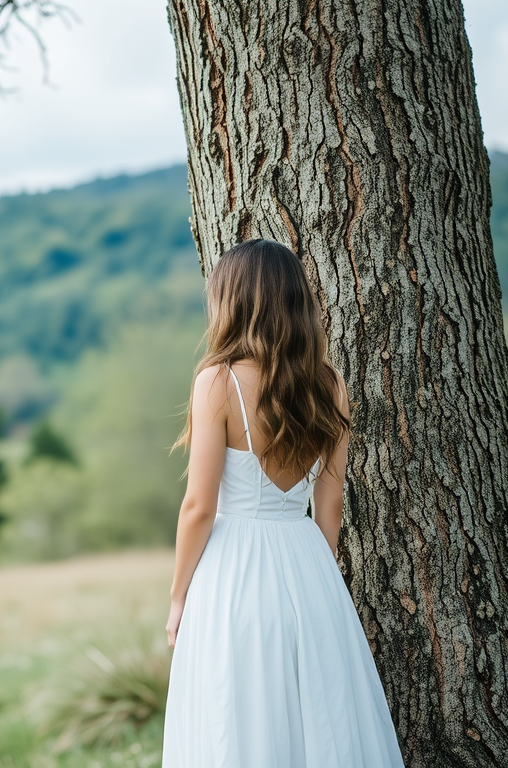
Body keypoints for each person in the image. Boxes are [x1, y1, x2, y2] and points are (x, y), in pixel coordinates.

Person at [162, 239, 405, 768]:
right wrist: (315, 576)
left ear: (234, 302)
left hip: (233, 571)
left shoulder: (217, 382)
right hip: (307, 561)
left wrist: (178, 597)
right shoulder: (329, 383)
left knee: (239, 711)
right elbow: (330, 502)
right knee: (315, 717)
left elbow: (198, 506)